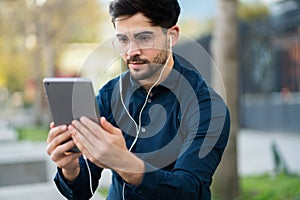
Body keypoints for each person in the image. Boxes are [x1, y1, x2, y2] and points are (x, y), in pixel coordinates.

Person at [46, 0, 230, 199]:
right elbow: (81, 191)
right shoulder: (109, 95)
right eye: (123, 40)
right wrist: (70, 168)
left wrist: (125, 163)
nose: (131, 51)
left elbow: (189, 190)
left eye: (144, 38)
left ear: (171, 36)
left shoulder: (207, 107)